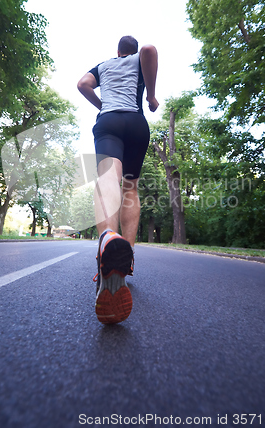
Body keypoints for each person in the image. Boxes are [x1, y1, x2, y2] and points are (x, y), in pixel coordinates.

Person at [77, 35, 158, 325]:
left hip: (109, 121)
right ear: (132, 52)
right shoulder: (139, 59)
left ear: (118, 51)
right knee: (130, 186)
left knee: (107, 174)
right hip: (136, 124)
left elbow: (82, 84)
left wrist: (100, 105)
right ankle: (128, 256)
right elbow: (149, 50)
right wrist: (150, 95)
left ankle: (108, 241)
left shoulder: (104, 65)